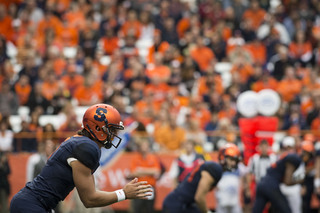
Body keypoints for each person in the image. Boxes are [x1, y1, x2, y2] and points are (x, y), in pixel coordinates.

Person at [10, 103, 152, 212]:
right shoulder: (86, 148)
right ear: (97, 128)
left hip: (34, 202)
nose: (114, 135)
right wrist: (124, 193)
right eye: (112, 130)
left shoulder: (81, 142)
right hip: (33, 203)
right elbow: (89, 199)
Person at [162, 143, 240, 213]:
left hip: (184, 203)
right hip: (177, 204)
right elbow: (199, 197)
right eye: (231, 159)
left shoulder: (215, 168)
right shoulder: (215, 169)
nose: (233, 163)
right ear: (223, 157)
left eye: (235, 161)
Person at [252, 138, 313, 213]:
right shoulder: (295, 158)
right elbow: (287, 181)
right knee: (286, 211)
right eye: (308, 155)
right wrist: (299, 181)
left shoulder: (290, 156)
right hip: (271, 185)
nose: (308, 158)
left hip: (262, 183)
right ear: (304, 152)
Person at [127, 137, 161, 213]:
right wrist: (149, 171)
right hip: (138, 188)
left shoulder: (153, 157)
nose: (144, 148)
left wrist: (141, 170)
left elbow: (157, 171)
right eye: (142, 145)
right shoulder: (135, 158)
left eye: (146, 145)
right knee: (137, 208)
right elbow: (133, 172)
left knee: (149, 209)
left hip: (150, 187)